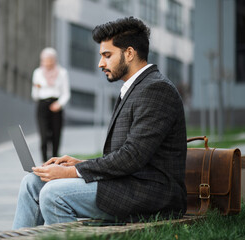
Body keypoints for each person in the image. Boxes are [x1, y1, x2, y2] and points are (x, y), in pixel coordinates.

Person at [12, 17, 187, 229]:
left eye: (107, 55)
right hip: (125, 183)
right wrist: (79, 164)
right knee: (32, 183)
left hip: (151, 194)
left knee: (53, 193)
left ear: (129, 53)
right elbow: (123, 155)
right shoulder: (134, 88)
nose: (100, 63)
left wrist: (71, 172)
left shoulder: (156, 89)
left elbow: (132, 157)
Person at [31, 48, 70, 162]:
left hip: (56, 106)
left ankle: (55, 162)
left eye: (50, 61)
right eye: (45, 61)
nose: (47, 64)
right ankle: (44, 163)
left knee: (55, 137)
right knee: (43, 137)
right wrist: (38, 90)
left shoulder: (62, 73)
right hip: (42, 106)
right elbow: (34, 94)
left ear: (54, 60)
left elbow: (66, 93)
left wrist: (59, 104)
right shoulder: (37, 73)